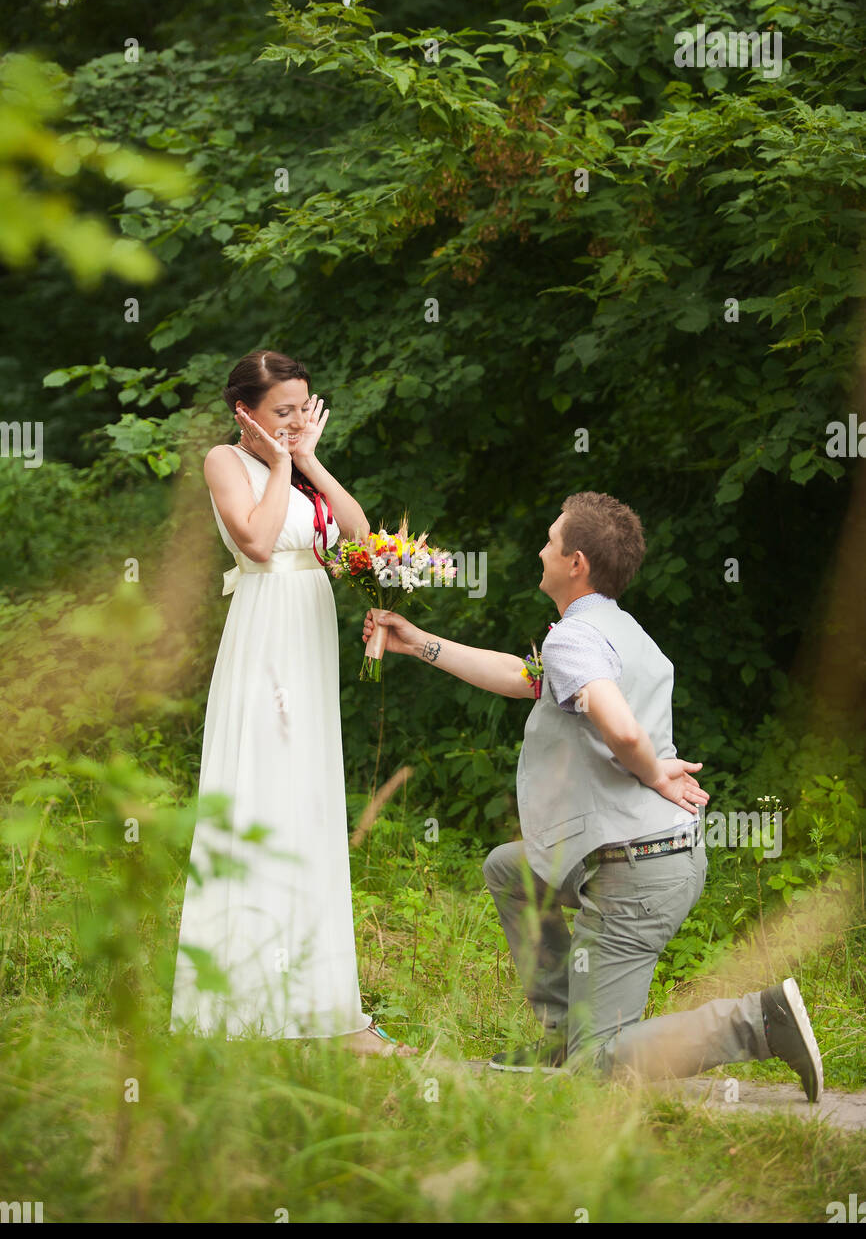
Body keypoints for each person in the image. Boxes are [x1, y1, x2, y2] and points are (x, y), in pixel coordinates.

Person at [361, 491, 822, 1098]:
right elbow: (521, 678)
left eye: (550, 541)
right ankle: (561, 1033)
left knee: (597, 1066)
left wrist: (654, 771)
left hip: (637, 869)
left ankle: (758, 1021)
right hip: (631, 851)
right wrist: (418, 641)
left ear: (575, 561)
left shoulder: (576, 639)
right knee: (509, 869)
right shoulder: (610, 630)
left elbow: (621, 727)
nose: (541, 550)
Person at [171, 349, 415, 1057]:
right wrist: (280, 462)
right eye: (283, 411)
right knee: (263, 792)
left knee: (307, 798)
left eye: (303, 410)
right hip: (266, 629)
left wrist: (310, 460)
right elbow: (252, 539)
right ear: (244, 411)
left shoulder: (300, 467)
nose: (296, 422)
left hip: (308, 634)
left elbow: (362, 538)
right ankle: (241, 1002)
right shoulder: (226, 460)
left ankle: (327, 1009)